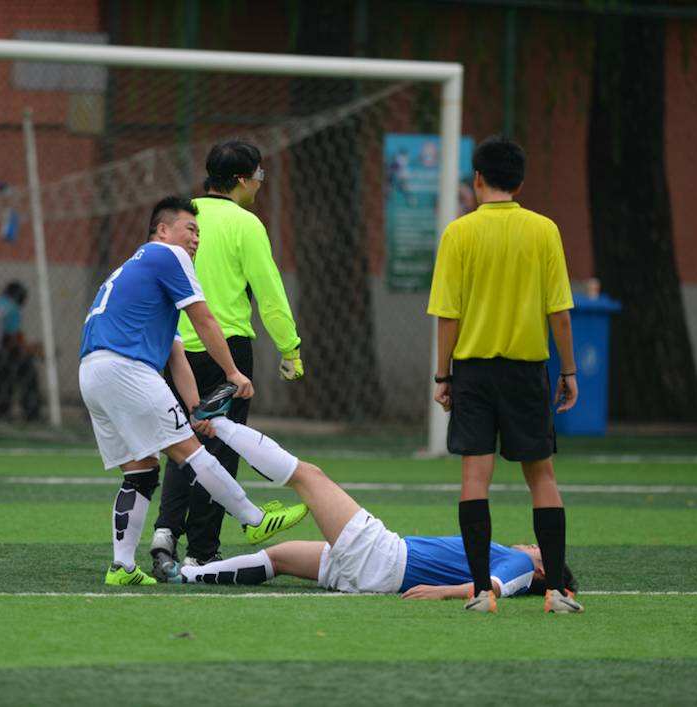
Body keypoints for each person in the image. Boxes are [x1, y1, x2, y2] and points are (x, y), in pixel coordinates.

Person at [78, 196, 308, 587]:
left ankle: (121, 568)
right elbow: (203, 319)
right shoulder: (168, 257)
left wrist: (196, 408)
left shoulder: (138, 272)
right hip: (126, 367)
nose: (196, 239)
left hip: (92, 372)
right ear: (162, 230)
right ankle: (254, 519)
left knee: (141, 471)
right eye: (190, 229)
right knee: (189, 453)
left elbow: (176, 352)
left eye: (200, 233)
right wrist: (233, 373)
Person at [161, 405, 578, 610]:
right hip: (375, 572)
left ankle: (220, 424)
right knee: (281, 557)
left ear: (544, 569)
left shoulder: (520, 569)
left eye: (540, 549)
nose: (532, 544)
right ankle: (186, 575)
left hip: (383, 557)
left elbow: (495, 589)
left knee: (309, 476)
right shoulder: (514, 560)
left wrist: (445, 592)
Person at [425, 135, 584, 613]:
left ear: (477, 179)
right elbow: (559, 311)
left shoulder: (459, 233)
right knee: (543, 476)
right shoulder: (544, 230)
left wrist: (442, 375)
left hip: (473, 372)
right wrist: (569, 370)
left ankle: (479, 593)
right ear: (520, 181)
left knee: (475, 477)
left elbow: (447, 315)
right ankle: (555, 590)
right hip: (526, 370)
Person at [151, 141, 303, 578]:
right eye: (259, 175)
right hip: (226, 353)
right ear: (241, 179)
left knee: (182, 444)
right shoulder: (246, 224)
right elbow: (269, 294)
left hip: (173, 347)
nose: (260, 183)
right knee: (218, 446)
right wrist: (289, 347)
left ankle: (164, 533)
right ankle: (202, 550)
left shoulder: (180, 217)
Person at [0, 281, 42, 422]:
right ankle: (30, 412)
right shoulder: (12, 309)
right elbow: (12, 341)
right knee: (25, 368)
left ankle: (1, 410)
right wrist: (31, 350)